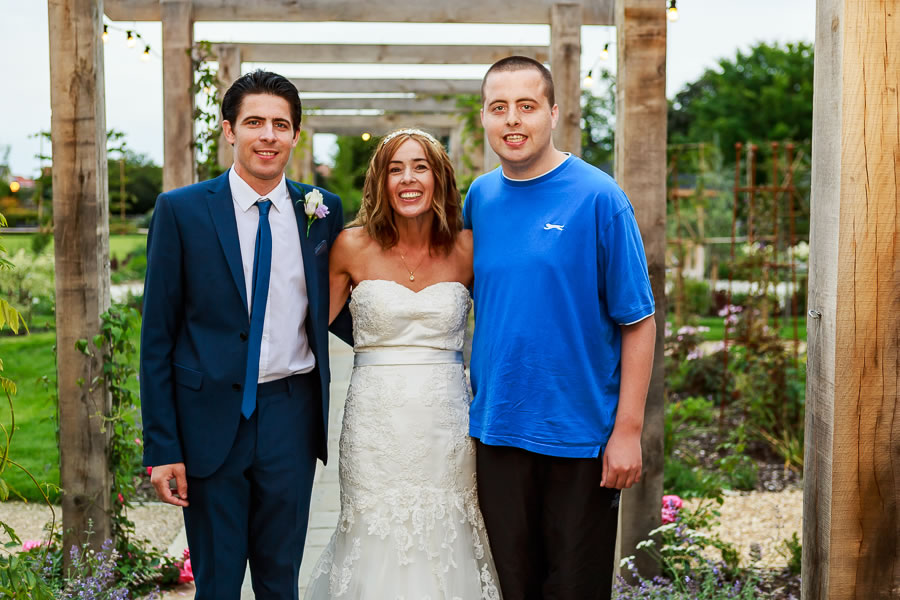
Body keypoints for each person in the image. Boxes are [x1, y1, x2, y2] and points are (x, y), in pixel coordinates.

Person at [140, 70, 351, 600]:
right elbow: (157, 338)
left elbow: (344, 305)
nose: (268, 135)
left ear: (296, 134)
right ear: (230, 130)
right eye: (255, 122)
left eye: (281, 124)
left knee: (281, 581)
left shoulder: (322, 212)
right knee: (217, 584)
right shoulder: (181, 211)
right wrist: (163, 447)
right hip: (208, 421)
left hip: (291, 417)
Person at [463, 56, 657, 599]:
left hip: (579, 437)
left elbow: (639, 322)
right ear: (484, 117)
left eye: (526, 106)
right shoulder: (479, 198)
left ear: (553, 113)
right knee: (511, 587)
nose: (512, 120)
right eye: (499, 107)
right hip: (497, 430)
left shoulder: (599, 197)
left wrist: (628, 431)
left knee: (575, 588)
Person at [304, 128, 501, 599]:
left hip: (446, 427)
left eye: (420, 167)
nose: (408, 178)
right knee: (374, 535)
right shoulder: (351, 247)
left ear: (439, 178)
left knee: (448, 533)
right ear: (381, 182)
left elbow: (507, 322)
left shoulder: (469, 248)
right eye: (395, 169)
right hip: (375, 426)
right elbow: (304, 330)